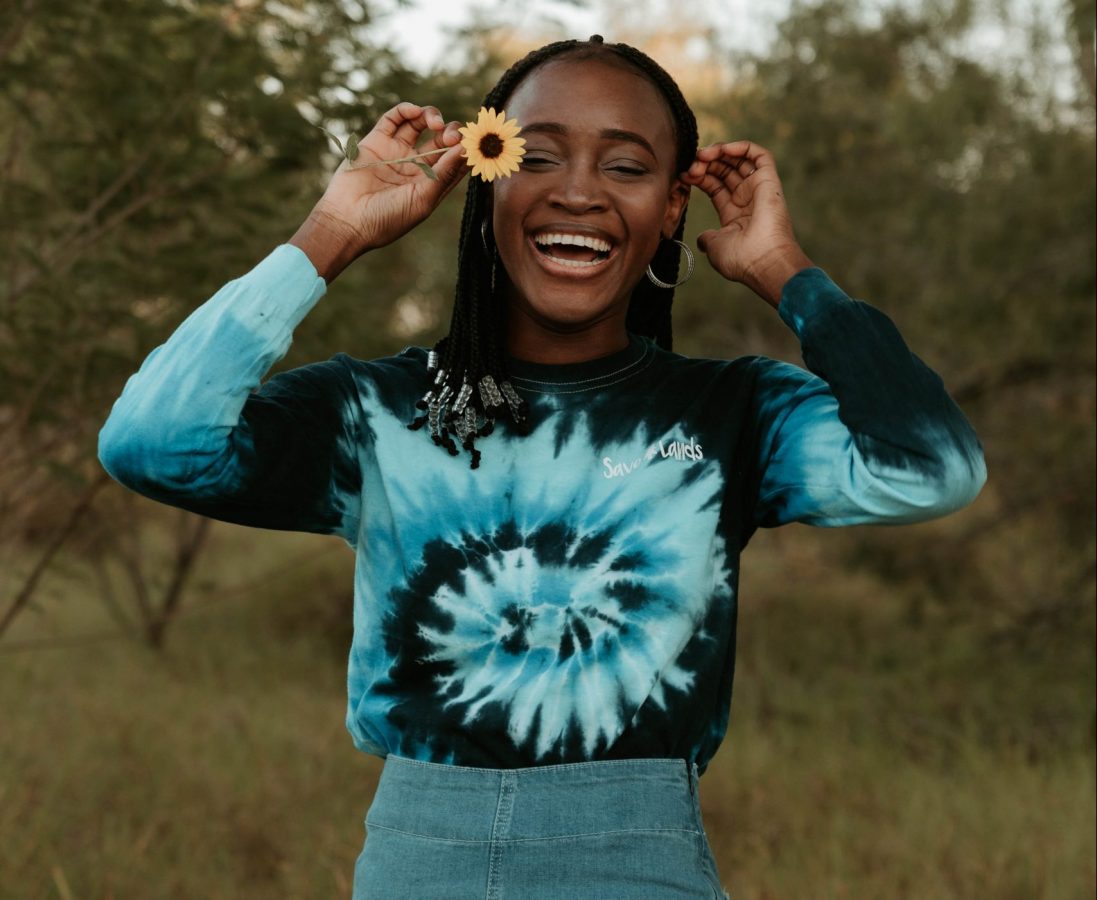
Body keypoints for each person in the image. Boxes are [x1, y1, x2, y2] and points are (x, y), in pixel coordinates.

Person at [98, 35, 986, 900]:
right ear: (483, 180)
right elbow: (153, 442)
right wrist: (329, 233)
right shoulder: (377, 410)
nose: (578, 194)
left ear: (673, 206)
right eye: (538, 156)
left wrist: (786, 272)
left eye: (626, 167)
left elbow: (930, 467)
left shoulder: (734, 413)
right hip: (419, 859)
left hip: (643, 858)